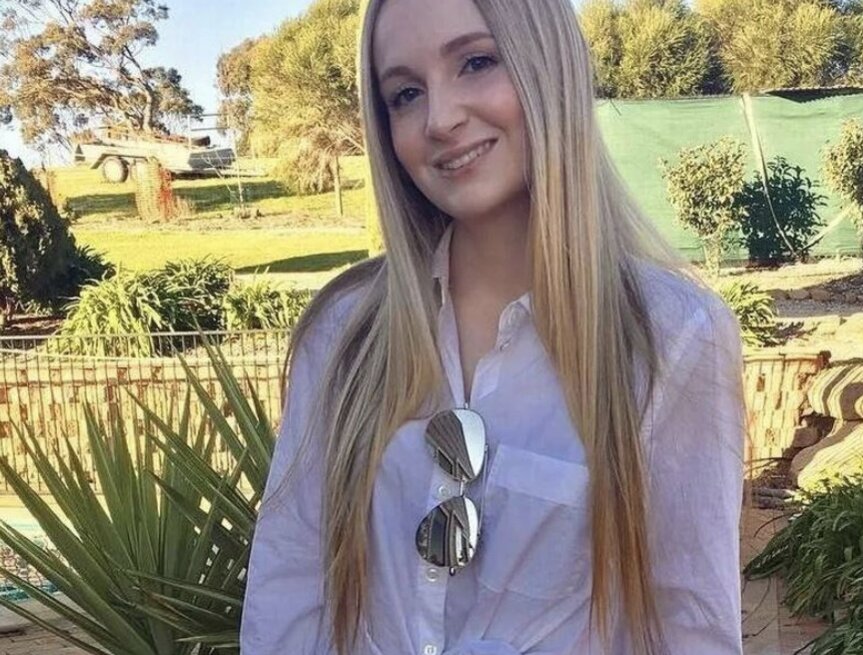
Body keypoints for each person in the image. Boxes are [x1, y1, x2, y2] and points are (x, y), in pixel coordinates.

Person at [240, 0, 746, 653]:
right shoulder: (344, 333)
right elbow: (289, 589)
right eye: (405, 94)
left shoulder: (671, 336)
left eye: (476, 62)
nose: (440, 119)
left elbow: (690, 623)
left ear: (547, 65)